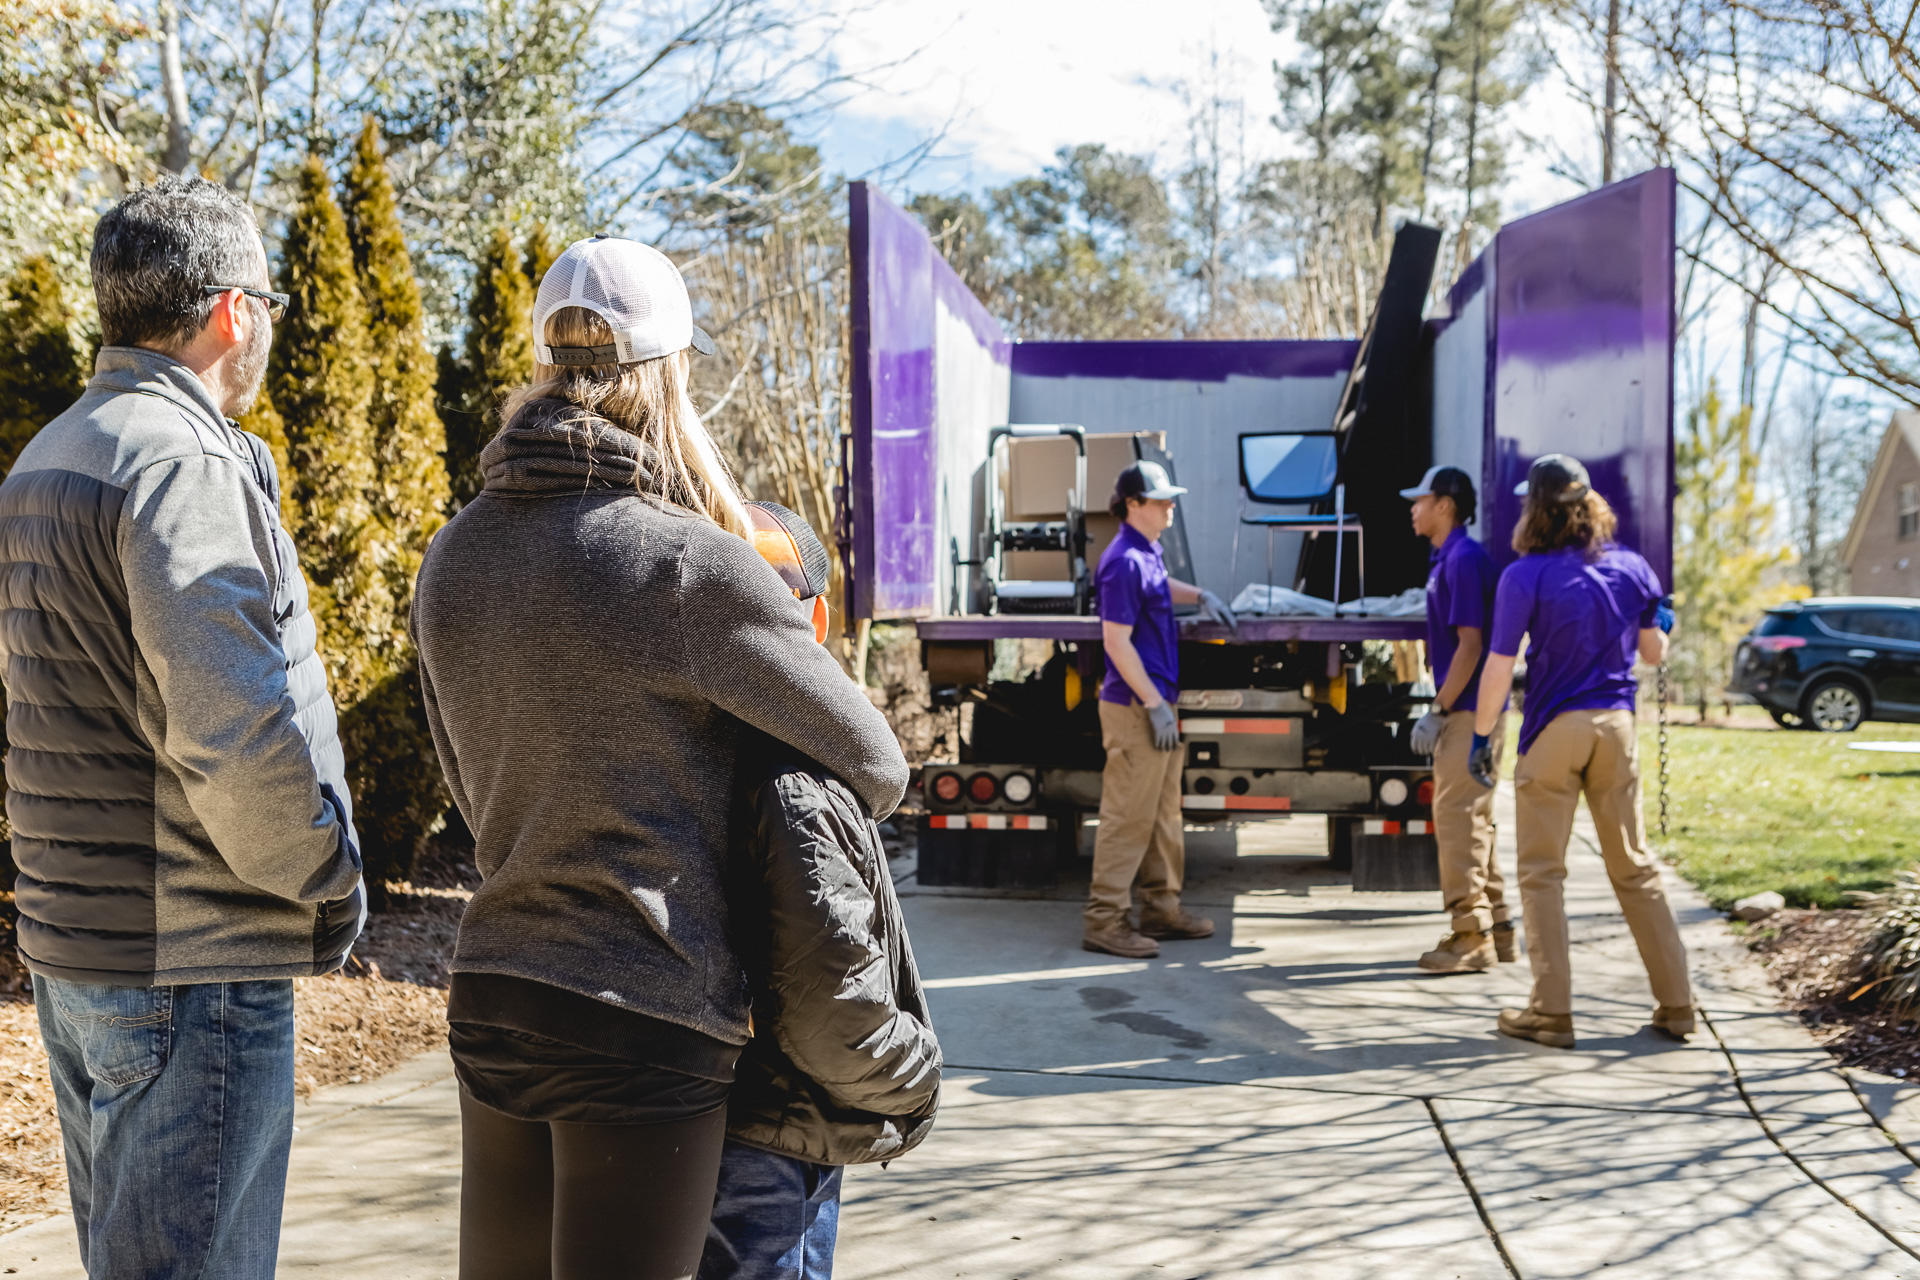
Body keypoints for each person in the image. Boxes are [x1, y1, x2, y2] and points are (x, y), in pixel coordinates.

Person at [412, 235, 908, 1280]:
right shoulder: (688, 564)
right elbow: (876, 761)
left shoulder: (453, 555)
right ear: (671, 373)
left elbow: (470, 785)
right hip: (644, 1012)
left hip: (495, 989)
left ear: (544, 365)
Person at [0, 175, 364, 1278]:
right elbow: (236, 734)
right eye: (267, 303)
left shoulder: (51, 454)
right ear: (231, 311)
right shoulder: (181, 461)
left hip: (83, 953)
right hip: (190, 969)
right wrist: (327, 872)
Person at [699, 501, 941, 1280]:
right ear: (822, 618)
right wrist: (920, 1074)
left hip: (705, 1110)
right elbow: (837, 1013)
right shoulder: (798, 776)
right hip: (772, 1136)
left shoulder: (678, 741)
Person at [1468, 454, 1692, 1049]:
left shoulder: (1526, 575)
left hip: (1555, 730)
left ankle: (1552, 1012)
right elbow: (1653, 653)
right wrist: (1658, 615)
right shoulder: (1632, 568)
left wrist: (1480, 734)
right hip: (1616, 728)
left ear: (1535, 510)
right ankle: (1678, 1006)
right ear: (1590, 505)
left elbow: (1498, 666)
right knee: (1635, 868)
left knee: (1543, 874)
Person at [1085, 460, 1239, 959]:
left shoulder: (1146, 553)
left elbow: (1158, 590)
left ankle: (1161, 908)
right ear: (1133, 505)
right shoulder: (1122, 561)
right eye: (1161, 499)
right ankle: (1105, 921)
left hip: (1155, 702)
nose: (1171, 505)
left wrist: (1200, 596)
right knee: (1128, 817)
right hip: (1136, 708)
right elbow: (1116, 642)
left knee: (1162, 815)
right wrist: (1154, 704)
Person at [1401, 465, 1515, 973]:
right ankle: (1501, 931)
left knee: (1457, 822)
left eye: (1420, 500)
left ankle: (1470, 938)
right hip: (1470, 709)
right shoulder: (1449, 558)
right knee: (1475, 821)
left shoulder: (1464, 560)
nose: (1413, 509)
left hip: (1469, 712)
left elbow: (1470, 645)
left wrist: (1438, 709)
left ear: (1444, 505)